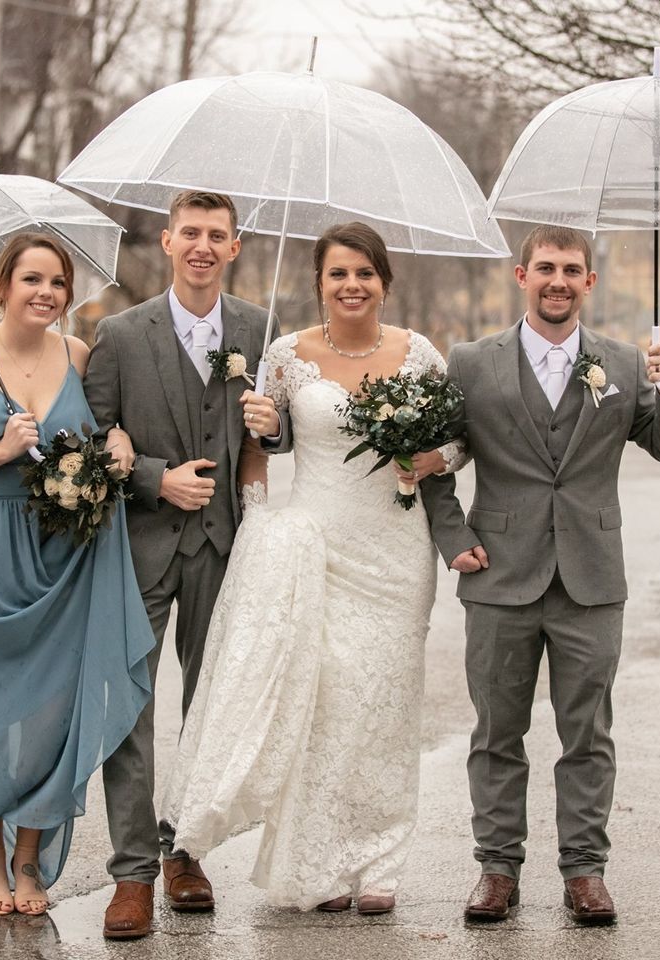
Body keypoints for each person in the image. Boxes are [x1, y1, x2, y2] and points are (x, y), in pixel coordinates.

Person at [161, 221, 465, 915]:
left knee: (385, 703)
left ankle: (382, 858)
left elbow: (458, 438)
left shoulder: (417, 354)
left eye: (364, 273)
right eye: (338, 274)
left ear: (384, 281)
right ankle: (319, 858)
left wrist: (434, 460)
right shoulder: (286, 354)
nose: (352, 285)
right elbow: (261, 447)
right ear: (319, 284)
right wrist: (260, 516)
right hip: (314, 546)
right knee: (323, 705)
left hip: (394, 551)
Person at [416, 224, 660, 925]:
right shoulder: (473, 363)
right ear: (522, 276)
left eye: (572, 269)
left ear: (590, 283)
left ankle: (585, 872)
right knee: (495, 733)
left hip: (592, 579)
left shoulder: (626, 363)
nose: (558, 280)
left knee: (588, 735)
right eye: (546, 268)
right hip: (499, 573)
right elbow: (435, 458)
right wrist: (453, 538)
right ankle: (497, 868)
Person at [0, 232, 155, 915]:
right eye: (32, 280)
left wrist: (120, 440)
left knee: (52, 709)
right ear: (3, 287)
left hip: (63, 553)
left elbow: (105, 429)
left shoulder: (78, 355)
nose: (46, 293)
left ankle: (29, 858)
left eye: (57, 284)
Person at [83, 190, 282, 939]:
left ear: (235, 247)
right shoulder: (119, 334)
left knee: (209, 711)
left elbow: (280, 434)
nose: (202, 246)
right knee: (131, 711)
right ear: (167, 242)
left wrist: (276, 422)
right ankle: (131, 876)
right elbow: (95, 434)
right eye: (189, 233)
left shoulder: (260, 331)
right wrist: (151, 476)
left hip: (224, 547)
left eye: (217, 236)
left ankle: (184, 852)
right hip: (140, 546)